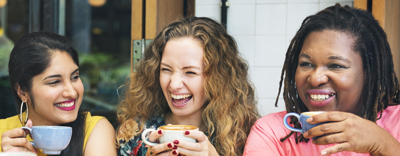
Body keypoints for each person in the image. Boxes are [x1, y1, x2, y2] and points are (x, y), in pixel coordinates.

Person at [243, 4, 400, 156]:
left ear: (369, 73)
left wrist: (382, 144)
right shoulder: (271, 131)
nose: (315, 78)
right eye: (306, 64)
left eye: (335, 65)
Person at [116, 17, 259, 156]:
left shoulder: (245, 135)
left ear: (219, 78)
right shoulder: (135, 132)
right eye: (166, 69)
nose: (174, 84)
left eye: (190, 72)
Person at [0, 32, 117, 156]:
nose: (72, 92)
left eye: (75, 77)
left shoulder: (94, 130)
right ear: (22, 91)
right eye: (55, 82)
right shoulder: (4, 133)